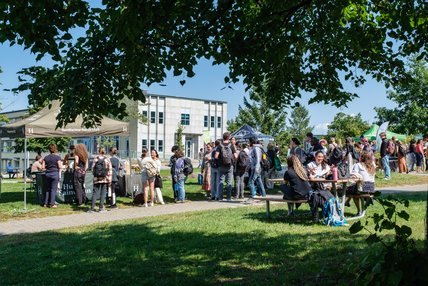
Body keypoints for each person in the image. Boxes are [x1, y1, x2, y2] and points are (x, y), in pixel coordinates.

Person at [349, 152, 376, 216]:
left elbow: (353, 174)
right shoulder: (373, 166)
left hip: (363, 188)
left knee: (353, 194)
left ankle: (359, 211)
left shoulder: (358, 165)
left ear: (361, 158)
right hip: (372, 188)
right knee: (354, 189)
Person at [214, 132, 236, 201]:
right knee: (229, 182)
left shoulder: (219, 146)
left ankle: (220, 198)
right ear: (229, 137)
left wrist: (221, 159)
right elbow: (235, 156)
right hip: (230, 165)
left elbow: (216, 156)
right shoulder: (231, 145)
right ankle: (228, 198)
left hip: (221, 165)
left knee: (221, 181)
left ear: (223, 137)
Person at [89, 148, 112, 212]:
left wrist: (95, 175)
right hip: (104, 179)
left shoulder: (95, 159)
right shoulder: (107, 159)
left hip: (96, 179)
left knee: (95, 193)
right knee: (103, 193)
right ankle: (101, 208)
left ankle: (92, 208)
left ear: (98, 152)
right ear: (105, 152)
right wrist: (109, 180)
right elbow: (110, 170)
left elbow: (92, 169)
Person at [42, 144, 62, 208]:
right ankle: (52, 204)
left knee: (48, 189)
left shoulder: (46, 157)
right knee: (53, 189)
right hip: (55, 174)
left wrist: (47, 168)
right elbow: (60, 166)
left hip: (47, 174)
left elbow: (42, 167)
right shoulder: (57, 157)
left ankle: (45, 203)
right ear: (55, 149)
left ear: (49, 149)